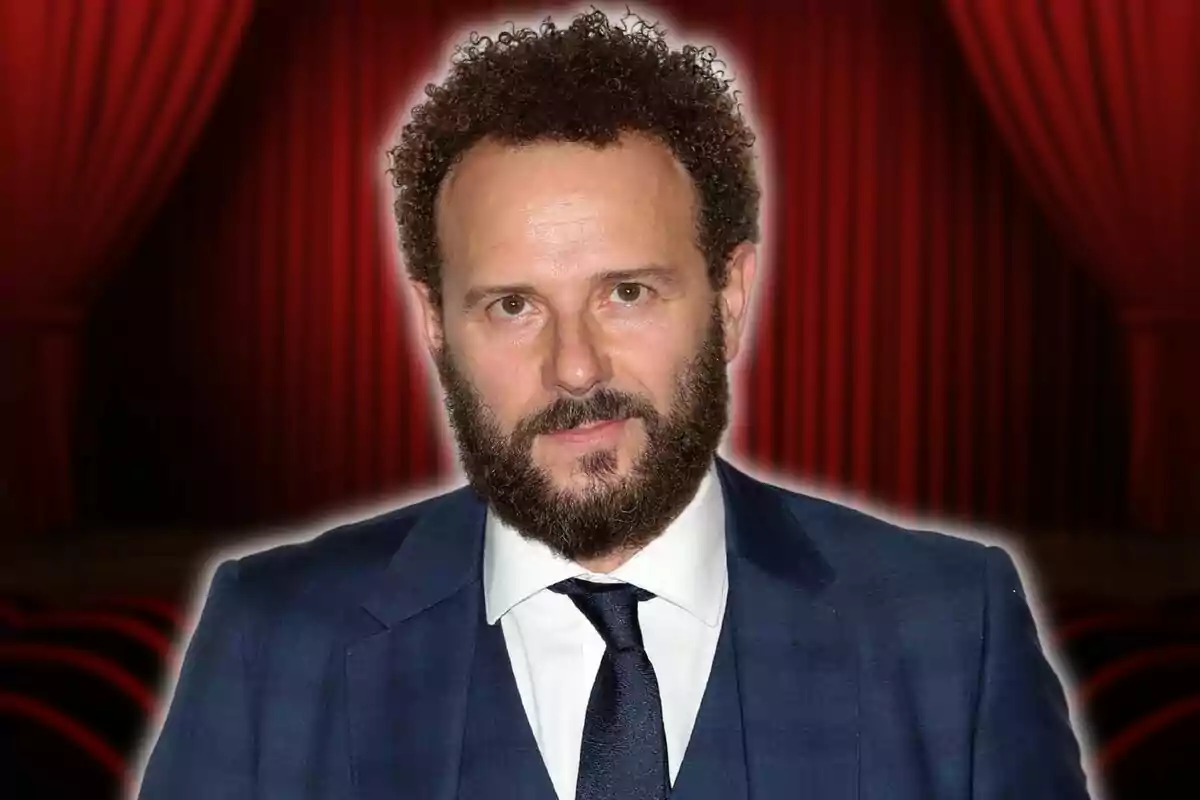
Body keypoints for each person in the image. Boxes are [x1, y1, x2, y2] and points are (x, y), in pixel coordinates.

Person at [135, 8, 1093, 800]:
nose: (575, 367)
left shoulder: (951, 632)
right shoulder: (271, 641)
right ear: (433, 321)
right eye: (513, 306)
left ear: (730, 293)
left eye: (626, 291)